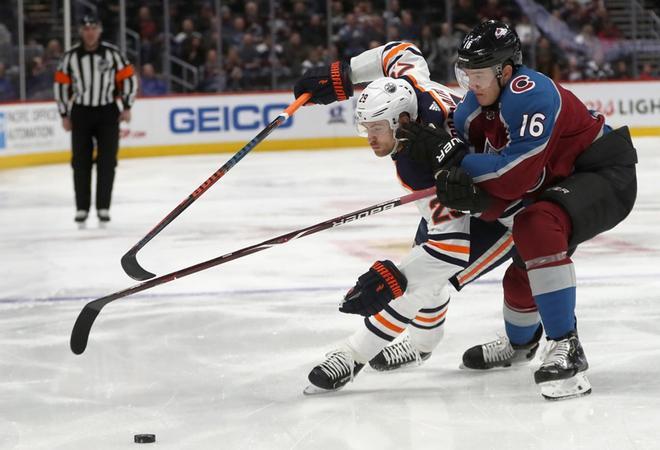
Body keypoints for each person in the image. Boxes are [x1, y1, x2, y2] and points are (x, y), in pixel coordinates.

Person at [294, 43, 517, 394]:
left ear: (402, 121)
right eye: (365, 128)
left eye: (377, 129)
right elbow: (401, 53)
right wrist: (345, 74)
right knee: (422, 264)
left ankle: (354, 354)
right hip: (467, 186)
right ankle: (422, 344)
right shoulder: (411, 89)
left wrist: (395, 279)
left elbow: (450, 249)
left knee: (423, 278)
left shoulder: (418, 164)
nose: (370, 138)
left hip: (507, 211)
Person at [54, 14, 138, 225]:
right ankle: (82, 208)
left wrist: (127, 105)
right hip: (81, 112)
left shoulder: (112, 54)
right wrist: (64, 113)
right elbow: (61, 85)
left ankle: (103, 207)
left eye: (93, 28)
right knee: (80, 162)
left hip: (107, 111)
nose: (90, 32)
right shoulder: (70, 56)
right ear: (81, 32)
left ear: (99, 30)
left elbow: (128, 78)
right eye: (86, 29)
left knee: (107, 161)